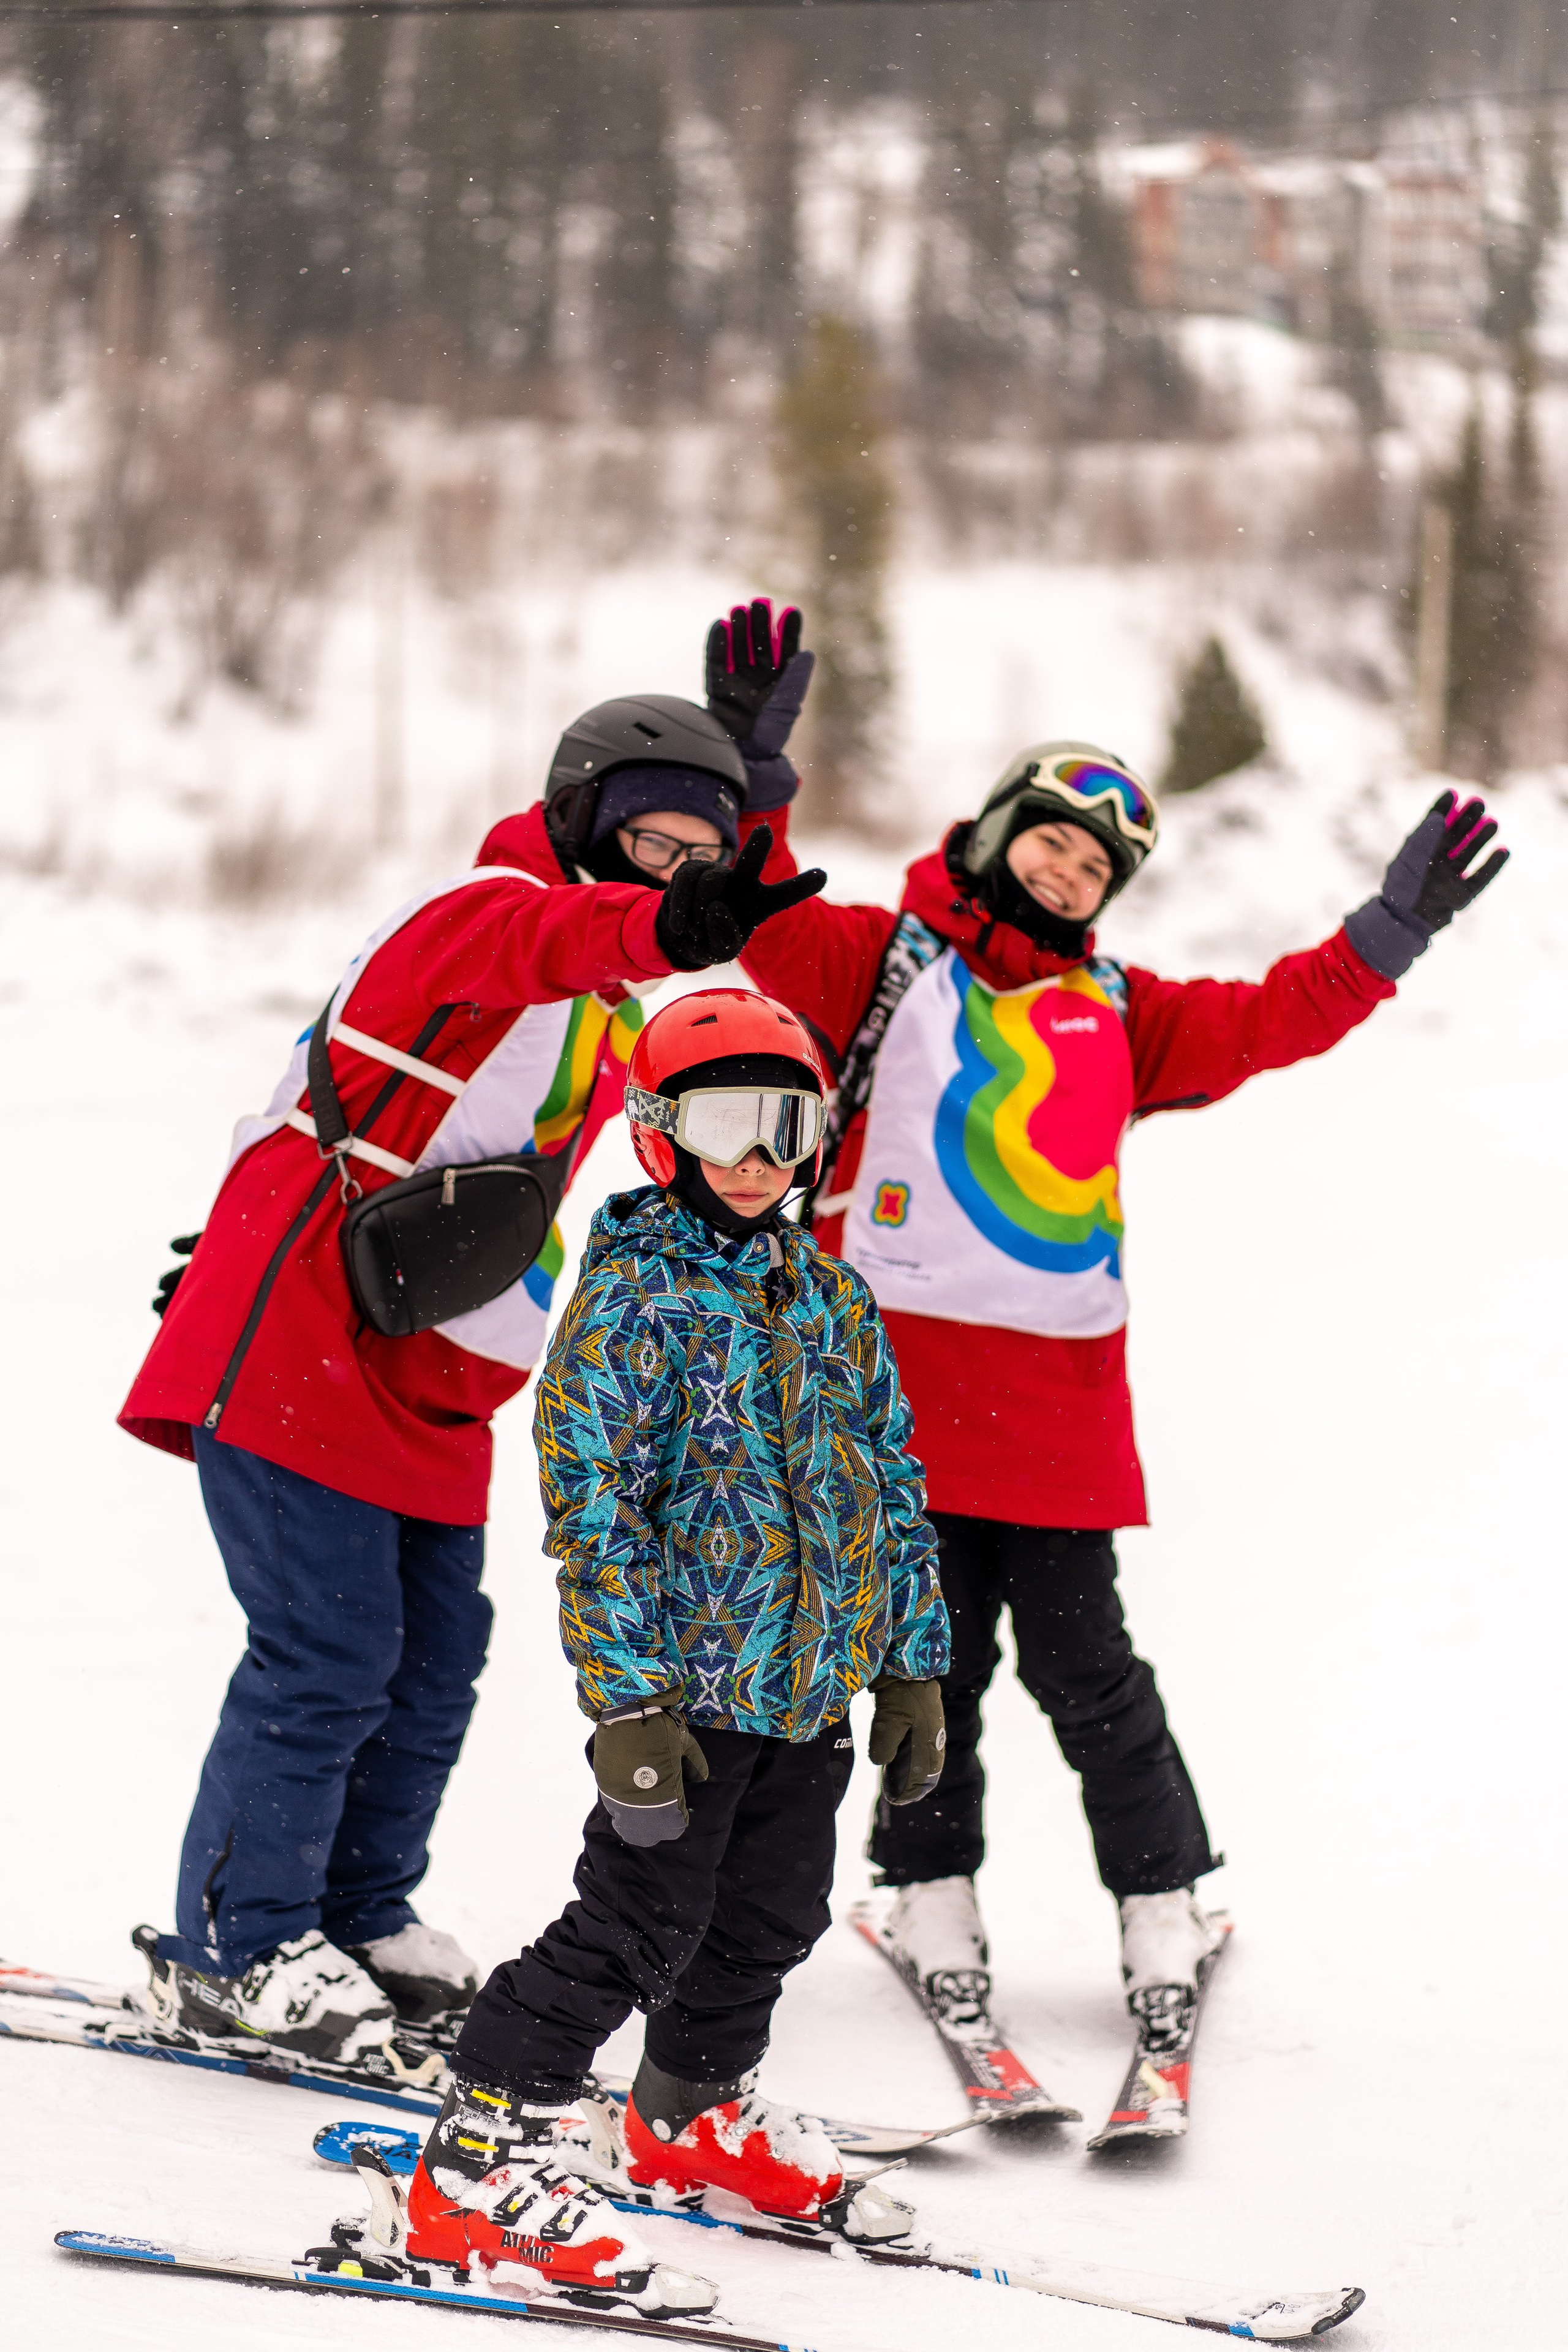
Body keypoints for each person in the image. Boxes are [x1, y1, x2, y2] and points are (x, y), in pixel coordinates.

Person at [711, 601, 1508, 2030]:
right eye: (1048, 842)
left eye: (1092, 868)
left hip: (1055, 1413)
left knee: (1090, 1670)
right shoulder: (877, 964)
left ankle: (1161, 1900)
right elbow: (756, 912)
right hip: (891, 1400)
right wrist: (754, 770)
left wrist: (1385, 934)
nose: (1066, 873)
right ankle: (926, 1889)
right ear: (990, 835)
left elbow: (1271, 1017)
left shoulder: (1121, 1013)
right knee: (921, 1665)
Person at [118, 692, 826, 2067]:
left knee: (438, 1659)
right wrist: (667, 917)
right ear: (581, 823)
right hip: (307, 1328)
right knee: (326, 1651)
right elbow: (561, 934)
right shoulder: (487, 908)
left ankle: (358, 1912)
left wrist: (749, 824)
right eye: (648, 843)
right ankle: (235, 1943)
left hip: (433, 1362)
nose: (669, 877)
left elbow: (706, 981)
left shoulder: (613, 994)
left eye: (698, 856)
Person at [396, 988, 948, 2305]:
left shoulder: (828, 1294)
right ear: (659, 1132)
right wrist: (629, 1703)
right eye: (723, 1121)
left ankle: (688, 2114)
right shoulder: (631, 1298)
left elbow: (890, 1483)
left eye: (786, 1121)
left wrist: (912, 1662)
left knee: (766, 1919)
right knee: (635, 1926)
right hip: (685, 1699)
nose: (758, 1155)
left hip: (804, 1695)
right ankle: (472, 2168)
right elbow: (593, 1511)